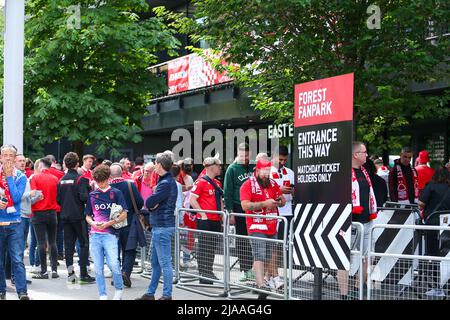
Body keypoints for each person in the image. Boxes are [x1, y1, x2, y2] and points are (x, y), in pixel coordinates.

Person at [338, 141, 378, 300]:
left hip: (367, 221)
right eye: (364, 152)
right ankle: (344, 294)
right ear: (355, 155)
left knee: (368, 256)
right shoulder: (344, 173)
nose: (367, 155)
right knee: (344, 258)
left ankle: (358, 288)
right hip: (351, 222)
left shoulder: (364, 171)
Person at [240, 159, 285, 299]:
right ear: (257, 171)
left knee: (271, 254)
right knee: (259, 254)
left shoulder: (272, 183)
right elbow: (245, 206)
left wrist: (278, 202)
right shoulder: (247, 185)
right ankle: (261, 285)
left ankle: (266, 280)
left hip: (272, 224)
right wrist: (264, 203)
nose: (266, 175)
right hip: (256, 224)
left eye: (268, 172)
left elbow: (283, 201)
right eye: (264, 172)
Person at [136, 153, 177, 300]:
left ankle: (167, 295)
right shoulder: (165, 182)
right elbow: (152, 202)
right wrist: (153, 203)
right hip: (160, 226)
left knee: (164, 262)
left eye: (155, 162)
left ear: (159, 165)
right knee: (156, 262)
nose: (154, 165)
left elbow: (150, 202)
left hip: (162, 226)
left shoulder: (165, 183)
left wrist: (152, 203)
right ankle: (151, 293)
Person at [85, 165, 128, 300]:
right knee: (97, 267)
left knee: (114, 264)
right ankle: (102, 294)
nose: (100, 184)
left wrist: (108, 224)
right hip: (95, 234)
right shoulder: (92, 195)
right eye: (98, 181)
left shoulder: (116, 193)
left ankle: (119, 289)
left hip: (110, 234)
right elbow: (87, 215)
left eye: (102, 180)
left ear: (108, 178)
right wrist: (93, 223)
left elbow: (124, 214)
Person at [57, 152, 95, 284]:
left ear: (65, 164)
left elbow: (58, 199)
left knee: (68, 247)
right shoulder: (81, 179)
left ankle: (71, 275)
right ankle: (83, 274)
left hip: (65, 217)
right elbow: (84, 197)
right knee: (84, 244)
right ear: (77, 163)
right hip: (79, 217)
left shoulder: (61, 181)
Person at [0, 145, 29, 300]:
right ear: (0, 157)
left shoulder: (20, 176)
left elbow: (17, 198)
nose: (8, 158)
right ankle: (1, 291)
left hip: (15, 222)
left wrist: (9, 176)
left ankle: (22, 291)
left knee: (17, 259)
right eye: (5, 155)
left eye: (11, 155)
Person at [109, 163, 145, 288]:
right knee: (129, 249)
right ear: (122, 172)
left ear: (110, 175)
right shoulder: (130, 185)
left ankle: (117, 275)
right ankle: (125, 272)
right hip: (129, 222)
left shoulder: (106, 188)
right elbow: (140, 202)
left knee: (114, 251)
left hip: (112, 224)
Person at [224, 142, 255, 282]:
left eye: (247, 156)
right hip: (238, 207)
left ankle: (254, 269)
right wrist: (230, 211)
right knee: (242, 239)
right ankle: (244, 269)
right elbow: (227, 191)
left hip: (253, 207)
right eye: (242, 156)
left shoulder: (254, 167)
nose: (245, 158)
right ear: (238, 154)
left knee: (254, 238)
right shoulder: (232, 168)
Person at [189, 156, 224, 284]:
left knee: (212, 247)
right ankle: (203, 273)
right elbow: (192, 199)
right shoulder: (201, 182)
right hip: (205, 220)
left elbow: (220, 200)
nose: (220, 168)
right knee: (205, 246)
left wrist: (222, 215)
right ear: (212, 167)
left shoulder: (218, 183)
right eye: (218, 166)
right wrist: (202, 214)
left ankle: (208, 272)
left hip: (215, 219)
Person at [418, 167, 450, 297]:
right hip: (448, 225)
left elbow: (420, 203)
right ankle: (446, 285)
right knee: (446, 254)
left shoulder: (431, 186)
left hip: (433, 224)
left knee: (433, 255)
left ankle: (438, 286)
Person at [30, 157, 60, 280]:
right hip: (52, 213)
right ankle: (54, 270)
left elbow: (33, 195)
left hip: (38, 213)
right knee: (52, 242)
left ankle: (44, 271)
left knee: (41, 242)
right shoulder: (55, 179)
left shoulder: (35, 178)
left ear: (41, 166)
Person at [269, 146, 294, 290]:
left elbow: (293, 193)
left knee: (281, 246)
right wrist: (279, 190)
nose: (283, 162)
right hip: (272, 212)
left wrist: (292, 191)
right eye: (280, 159)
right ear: (274, 157)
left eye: (285, 160)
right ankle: (274, 276)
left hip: (287, 211)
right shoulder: (267, 172)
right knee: (273, 246)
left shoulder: (290, 172)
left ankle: (271, 276)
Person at [46, 155, 65, 260]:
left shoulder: (42, 173)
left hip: (47, 207)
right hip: (60, 207)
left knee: (48, 233)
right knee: (59, 231)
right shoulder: (61, 174)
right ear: (55, 161)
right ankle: (60, 253)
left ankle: (51, 255)